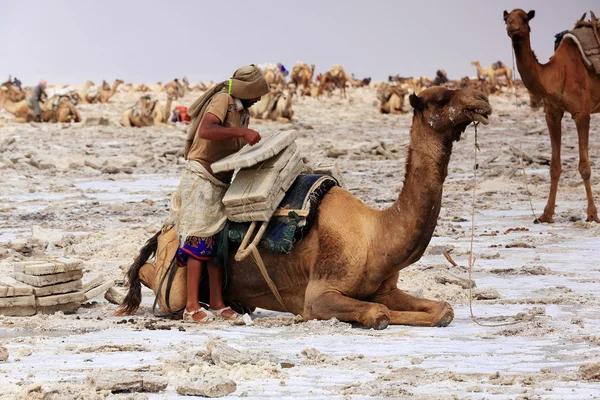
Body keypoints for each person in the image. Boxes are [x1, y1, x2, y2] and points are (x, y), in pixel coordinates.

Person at [170, 65, 269, 323]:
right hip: (202, 178)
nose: (258, 99)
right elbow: (207, 130)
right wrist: (242, 132)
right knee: (199, 239)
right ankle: (191, 306)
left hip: (221, 181)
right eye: (256, 93)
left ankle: (217, 303)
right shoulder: (223, 100)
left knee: (217, 246)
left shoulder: (242, 112)